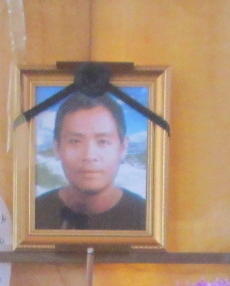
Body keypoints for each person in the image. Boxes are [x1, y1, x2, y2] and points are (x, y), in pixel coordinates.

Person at [33, 91, 147, 231]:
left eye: (103, 141)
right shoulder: (34, 214)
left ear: (123, 147)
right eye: (75, 141)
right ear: (57, 148)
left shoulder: (147, 218)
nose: (89, 155)